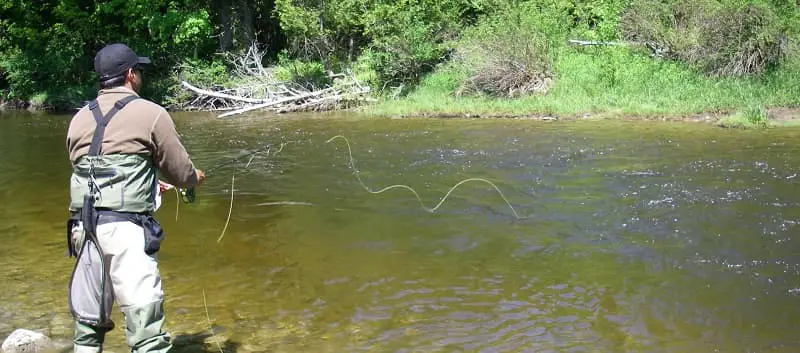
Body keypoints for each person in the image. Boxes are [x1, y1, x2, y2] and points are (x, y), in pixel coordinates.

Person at [65, 42, 205, 353]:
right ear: (130, 75)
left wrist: (150, 183)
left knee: (87, 329)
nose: (140, 76)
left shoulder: (78, 119)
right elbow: (181, 173)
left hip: (83, 231)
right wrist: (195, 178)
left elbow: (96, 173)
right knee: (146, 333)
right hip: (126, 234)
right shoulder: (150, 113)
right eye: (138, 71)